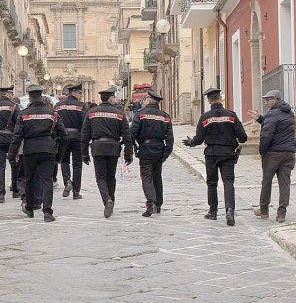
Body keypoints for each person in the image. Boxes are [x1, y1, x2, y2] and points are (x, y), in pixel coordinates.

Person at [183, 87, 247, 226]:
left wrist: (190, 143)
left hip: (211, 154)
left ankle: (212, 211)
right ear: (220, 98)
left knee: (212, 183)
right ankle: (230, 210)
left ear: (209, 100)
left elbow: (199, 139)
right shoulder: (231, 115)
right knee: (228, 182)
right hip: (228, 153)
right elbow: (243, 137)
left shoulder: (205, 117)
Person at [8, 86, 62, 222]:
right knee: (47, 181)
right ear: (41, 96)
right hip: (48, 150)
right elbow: (63, 133)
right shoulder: (52, 113)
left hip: (30, 150)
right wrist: (58, 149)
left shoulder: (24, 114)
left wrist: (12, 154)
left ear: (30, 97)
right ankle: (47, 212)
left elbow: (17, 136)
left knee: (30, 179)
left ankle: (30, 208)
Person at [81, 87, 133, 218]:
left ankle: (107, 200)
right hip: (113, 148)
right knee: (111, 177)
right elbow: (127, 136)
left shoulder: (91, 113)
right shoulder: (119, 113)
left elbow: (85, 134)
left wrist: (84, 153)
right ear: (110, 98)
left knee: (100, 177)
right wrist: (128, 154)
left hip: (97, 147)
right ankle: (112, 201)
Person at [130, 89, 174, 217]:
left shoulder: (141, 114)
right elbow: (170, 139)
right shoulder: (165, 116)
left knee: (146, 177)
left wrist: (134, 148)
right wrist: (165, 154)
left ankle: (151, 203)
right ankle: (158, 204)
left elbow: (132, 133)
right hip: (159, 149)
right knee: (157, 177)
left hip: (145, 149)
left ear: (149, 100)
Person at [255, 90, 296, 222]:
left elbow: (267, 135)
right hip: (288, 152)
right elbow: (279, 126)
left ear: (275, 99)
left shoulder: (273, 114)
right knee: (285, 183)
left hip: (273, 153)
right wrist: (260, 119)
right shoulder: (289, 112)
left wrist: (262, 151)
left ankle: (264, 210)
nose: (266, 103)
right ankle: (281, 213)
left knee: (266, 181)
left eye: (268, 100)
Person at [54, 83, 87, 199]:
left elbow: (54, 122)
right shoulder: (82, 106)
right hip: (77, 137)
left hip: (63, 137)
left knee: (64, 161)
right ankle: (76, 192)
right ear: (73, 92)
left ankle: (67, 181)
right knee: (77, 164)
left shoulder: (58, 106)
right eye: (79, 93)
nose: (81, 95)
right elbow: (85, 124)